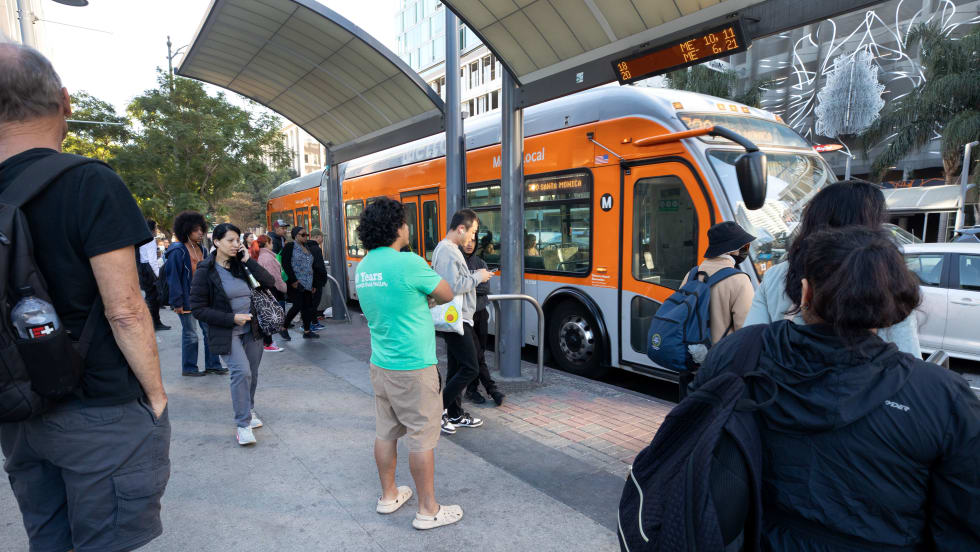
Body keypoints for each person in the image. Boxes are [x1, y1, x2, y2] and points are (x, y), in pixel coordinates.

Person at [691, 227, 980, 550]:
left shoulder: (742, 351)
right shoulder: (942, 397)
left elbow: (693, 439)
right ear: (896, 306)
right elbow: (963, 526)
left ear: (805, 294)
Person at [0, 42, 170, 551]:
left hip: (18, 415)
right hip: (98, 409)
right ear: (66, 102)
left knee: (48, 541)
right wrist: (156, 398)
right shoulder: (89, 182)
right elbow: (125, 310)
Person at [354, 197, 464, 530]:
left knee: (385, 432)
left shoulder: (364, 266)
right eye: (404, 221)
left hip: (381, 364)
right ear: (397, 227)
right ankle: (428, 509)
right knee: (421, 437)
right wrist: (426, 294)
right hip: (414, 367)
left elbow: (390, 303)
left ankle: (389, 496)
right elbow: (446, 292)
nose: (408, 227)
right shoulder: (409, 262)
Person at [744, 180, 921, 355]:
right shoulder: (885, 277)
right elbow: (907, 354)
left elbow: (751, 342)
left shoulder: (777, 274)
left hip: (784, 379)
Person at [190, 223, 276, 446]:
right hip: (226, 331)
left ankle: (249, 408)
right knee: (241, 371)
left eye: (237, 240)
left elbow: (269, 282)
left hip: (252, 329)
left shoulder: (241, 265)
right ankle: (242, 424)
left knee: (253, 373)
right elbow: (198, 309)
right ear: (216, 242)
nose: (235, 244)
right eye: (230, 240)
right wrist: (231, 319)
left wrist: (248, 260)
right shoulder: (205, 270)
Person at [431, 209, 492, 433]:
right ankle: (437, 412)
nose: (472, 238)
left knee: (457, 367)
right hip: (457, 319)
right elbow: (453, 286)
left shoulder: (447, 249)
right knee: (470, 367)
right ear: (461, 229)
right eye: (472, 231)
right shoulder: (448, 250)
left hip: (458, 318)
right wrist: (479, 276)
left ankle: (454, 414)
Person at [164, 210, 225, 376]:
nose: (200, 233)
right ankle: (189, 368)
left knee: (209, 332)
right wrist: (177, 302)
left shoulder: (203, 250)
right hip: (186, 300)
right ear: (186, 230)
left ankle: (213, 364)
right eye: (196, 230)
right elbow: (173, 278)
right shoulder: (178, 251)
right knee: (191, 335)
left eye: (201, 230)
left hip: (204, 300)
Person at [461, 239, 504, 406]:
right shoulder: (458, 261)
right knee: (476, 355)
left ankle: (472, 389)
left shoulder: (481, 262)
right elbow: (457, 286)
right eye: (467, 240)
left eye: (473, 240)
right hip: (465, 315)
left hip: (481, 314)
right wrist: (476, 280)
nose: (470, 244)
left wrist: (469, 283)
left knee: (480, 354)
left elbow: (485, 289)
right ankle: (491, 389)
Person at [281, 226, 326, 339]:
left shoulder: (307, 247)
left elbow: (312, 266)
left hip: (308, 283)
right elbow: (285, 264)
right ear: (296, 236)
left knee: (308, 307)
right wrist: (293, 280)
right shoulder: (290, 246)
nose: (306, 237)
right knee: (298, 306)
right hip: (295, 283)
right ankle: (283, 327)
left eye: (306, 235)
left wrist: (314, 284)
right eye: (303, 234)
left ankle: (307, 331)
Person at [251, 235, 286, 352]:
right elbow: (275, 277)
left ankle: (268, 342)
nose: (273, 245)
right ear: (267, 243)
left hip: (265, 289)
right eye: (271, 243)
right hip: (271, 289)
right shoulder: (268, 257)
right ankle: (268, 342)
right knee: (269, 315)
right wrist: (284, 288)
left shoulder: (262, 255)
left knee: (264, 315)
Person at [139, 218, 170, 331]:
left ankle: (152, 323)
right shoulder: (150, 239)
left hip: (142, 268)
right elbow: (152, 260)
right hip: (149, 269)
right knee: (154, 298)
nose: (157, 230)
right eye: (156, 228)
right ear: (152, 229)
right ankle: (155, 323)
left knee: (149, 297)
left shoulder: (141, 239)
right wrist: (158, 275)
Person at [308, 228, 327, 328]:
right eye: (322, 237)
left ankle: (314, 322)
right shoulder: (316, 249)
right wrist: (323, 279)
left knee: (311, 303)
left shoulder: (306, 246)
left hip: (308, 280)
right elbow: (319, 266)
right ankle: (310, 324)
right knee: (314, 303)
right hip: (316, 281)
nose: (322, 239)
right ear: (317, 237)